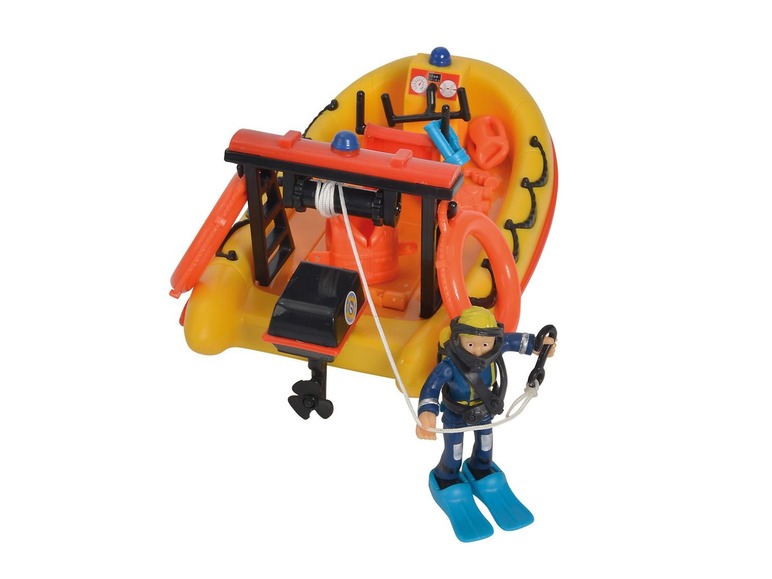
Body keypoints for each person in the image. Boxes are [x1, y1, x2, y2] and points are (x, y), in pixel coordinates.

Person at [416, 305, 556, 541]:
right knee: (454, 452)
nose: (479, 350)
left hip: (484, 412)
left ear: (493, 341)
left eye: (484, 344)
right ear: (458, 340)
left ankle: (481, 469)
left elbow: (516, 341)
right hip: (455, 415)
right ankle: (446, 477)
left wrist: (538, 345)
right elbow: (431, 387)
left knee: (486, 446)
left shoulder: (496, 347)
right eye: (470, 344)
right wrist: (426, 412)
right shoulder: (450, 365)